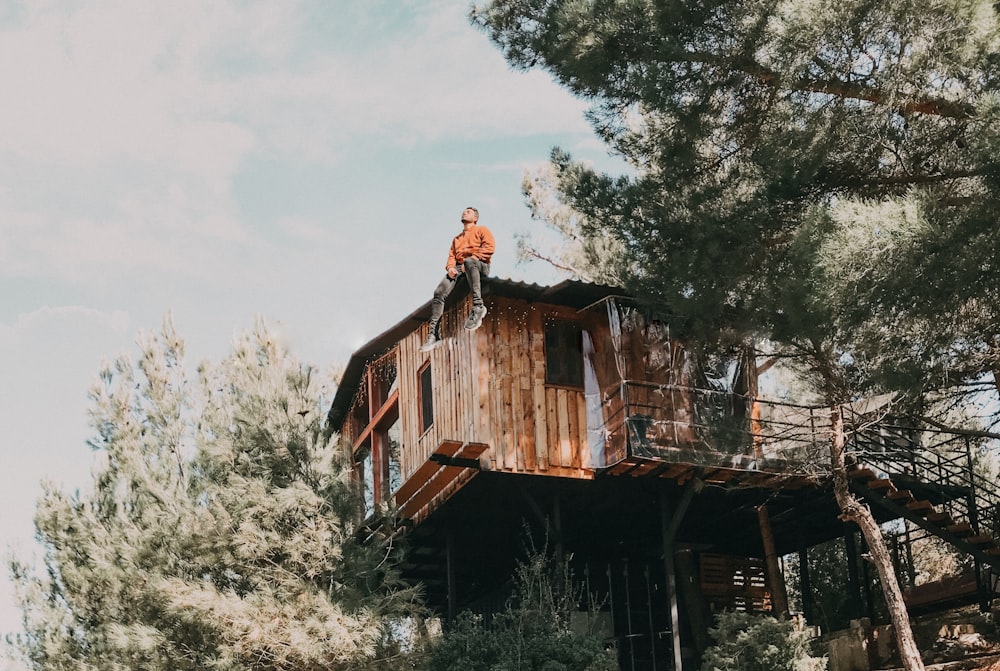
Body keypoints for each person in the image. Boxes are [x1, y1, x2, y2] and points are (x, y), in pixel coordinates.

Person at [420, 207, 495, 351]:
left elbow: (490, 248)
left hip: (480, 264)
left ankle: (478, 307)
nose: (464, 212)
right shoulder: (457, 239)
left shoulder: (482, 230)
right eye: (464, 211)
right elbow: (451, 257)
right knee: (438, 292)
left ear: (475, 218)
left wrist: (473, 259)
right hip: (461, 268)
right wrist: (450, 268)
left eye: (468, 212)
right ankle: (433, 334)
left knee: (468, 262)